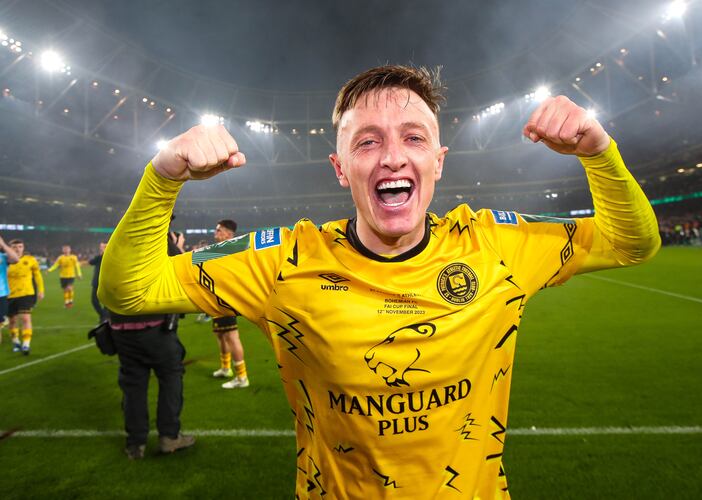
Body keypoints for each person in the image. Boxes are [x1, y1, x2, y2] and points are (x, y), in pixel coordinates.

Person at [100, 65, 660, 497]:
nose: (392, 157)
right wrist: (163, 176)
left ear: (438, 162)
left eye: (413, 139)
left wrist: (598, 153)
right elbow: (128, 291)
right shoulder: (282, 262)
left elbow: (632, 243)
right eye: (367, 141)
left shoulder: (495, 246)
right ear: (341, 168)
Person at [107, 230, 194, 459]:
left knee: (133, 384)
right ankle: (169, 437)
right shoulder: (159, 238)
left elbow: (100, 284)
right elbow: (183, 270)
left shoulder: (120, 239)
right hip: (154, 327)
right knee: (171, 376)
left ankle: (135, 444)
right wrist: (177, 245)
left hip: (119, 328)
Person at [209, 219, 250, 389]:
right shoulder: (221, 249)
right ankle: (226, 368)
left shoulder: (233, 248)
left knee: (232, 336)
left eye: (218, 230)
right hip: (217, 297)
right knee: (220, 334)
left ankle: (242, 377)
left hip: (227, 298)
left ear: (228, 233)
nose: (215, 233)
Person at [7, 239, 44, 354]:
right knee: (12, 321)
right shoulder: (5, 260)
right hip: (9, 295)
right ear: (10, 249)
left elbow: (37, 275)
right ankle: (15, 341)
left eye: (20, 246)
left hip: (26, 293)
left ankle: (26, 344)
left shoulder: (30, 260)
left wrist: (41, 290)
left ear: (23, 248)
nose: (17, 249)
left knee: (25, 318)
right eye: (14, 247)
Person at [0, 235, 21, 342]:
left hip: (1, 294)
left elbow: (16, 259)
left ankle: (3, 319)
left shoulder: (2, 256)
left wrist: (3, 245)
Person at [88, 242, 108, 322]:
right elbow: (91, 262)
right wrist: (100, 254)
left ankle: (104, 317)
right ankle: (103, 315)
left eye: (104, 246)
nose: (102, 248)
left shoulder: (109, 256)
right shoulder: (99, 257)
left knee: (106, 302)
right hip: (96, 282)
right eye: (101, 246)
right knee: (94, 301)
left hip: (106, 283)